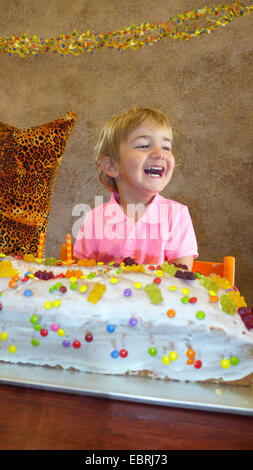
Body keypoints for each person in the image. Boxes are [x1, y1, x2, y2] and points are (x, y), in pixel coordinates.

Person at [73, 107, 198, 270]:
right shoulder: (93, 220)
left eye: (166, 147)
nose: (160, 153)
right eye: (144, 145)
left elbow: (181, 280)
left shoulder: (176, 216)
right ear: (111, 165)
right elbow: (80, 277)